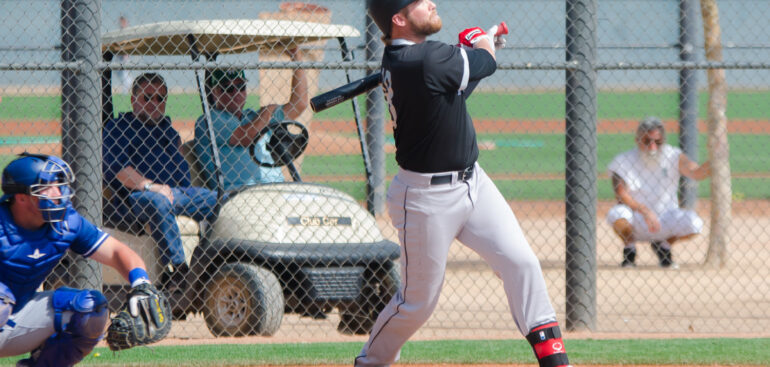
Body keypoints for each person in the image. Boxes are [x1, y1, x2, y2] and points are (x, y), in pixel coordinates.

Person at [356, 1, 572, 367]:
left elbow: (452, 94)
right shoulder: (423, 59)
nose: (432, 4)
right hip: (425, 199)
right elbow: (486, 64)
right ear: (398, 19)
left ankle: (554, 359)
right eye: (420, 4)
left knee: (521, 263)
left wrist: (474, 52)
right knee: (418, 304)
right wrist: (479, 41)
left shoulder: (415, 60)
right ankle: (371, 362)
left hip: (474, 184)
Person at [0, 153, 155, 366]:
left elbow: (117, 251)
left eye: (58, 184)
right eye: (46, 188)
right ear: (21, 197)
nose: (57, 194)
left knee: (90, 309)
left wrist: (141, 283)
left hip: (15, 321)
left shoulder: (66, 223)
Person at [103, 72, 220, 289]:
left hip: (176, 193)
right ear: (133, 99)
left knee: (220, 200)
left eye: (160, 98)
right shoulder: (119, 129)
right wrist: (152, 187)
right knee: (159, 202)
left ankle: (216, 262)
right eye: (147, 97)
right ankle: (176, 270)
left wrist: (172, 190)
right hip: (136, 197)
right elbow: (119, 170)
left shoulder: (168, 131)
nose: (154, 103)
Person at [193, 47, 308, 191]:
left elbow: (300, 103)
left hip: (276, 189)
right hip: (239, 194)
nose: (236, 93)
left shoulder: (252, 116)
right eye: (228, 89)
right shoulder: (209, 121)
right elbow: (246, 137)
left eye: (241, 86)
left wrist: (295, 55)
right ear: (215, 92)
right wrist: (267, 112)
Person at [607, 116, 711, 268]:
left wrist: (714, 161)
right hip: (637, 219)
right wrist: (644, 211)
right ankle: (629, 250)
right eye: (647, 141)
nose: (652, 147)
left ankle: (663, 247)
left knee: (694, 224)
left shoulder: (673, 155)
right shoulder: (624, 160)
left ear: (664, 141)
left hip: (665, 218)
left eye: (658, 142)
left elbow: (696, 173)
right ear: (637, 140)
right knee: (617, 214)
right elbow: (621, 194)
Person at [115, 16, 133, 94]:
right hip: (120, 57)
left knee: (124, 76)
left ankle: (125, 92)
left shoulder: (126, 32)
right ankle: (127, 90)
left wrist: (126, 56)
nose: (121, 24)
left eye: (122, 22)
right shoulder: (121, 32)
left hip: (124, 58)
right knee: (122, 75)